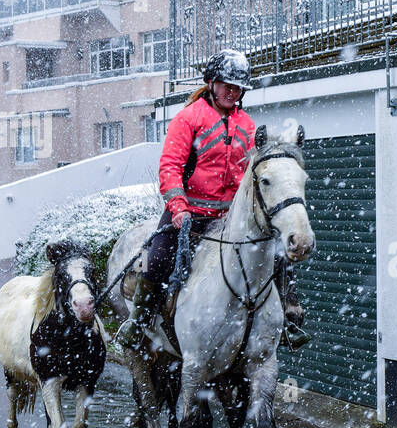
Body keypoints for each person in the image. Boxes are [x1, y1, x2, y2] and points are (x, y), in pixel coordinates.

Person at [115, 48, 308, 351]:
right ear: (211, 83)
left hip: (229, 217)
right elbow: (170, 167)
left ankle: (288, 318)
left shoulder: (247, 125)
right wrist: (178, 207)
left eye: (238, 88)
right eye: (227, 86)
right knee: (158, 260)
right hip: (188, 213)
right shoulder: (188, 119)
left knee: (277, 253)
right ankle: (138, 321)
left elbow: (249, 176)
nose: (233, 92)